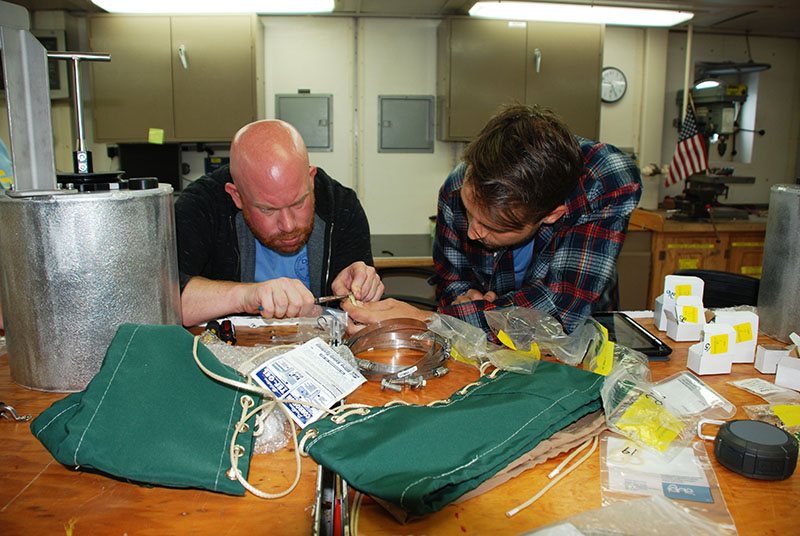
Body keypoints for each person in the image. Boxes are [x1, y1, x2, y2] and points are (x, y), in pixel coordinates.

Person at [343, 103, 641, 338]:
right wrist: (465, 300)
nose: (473, 233)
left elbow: (559, 312)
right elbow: (452, 279)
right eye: (469, 212)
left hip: (579, 344)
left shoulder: (604, 181)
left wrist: (427, 320)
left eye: (493, 227)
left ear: (551, 215)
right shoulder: (457, 185)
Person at [176, 119, 383, 326]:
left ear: (311, 179)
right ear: (236, 196)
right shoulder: (203, 205)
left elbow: (362, 319)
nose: (289, 225)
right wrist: (245, 296)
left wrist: (361, 291)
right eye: (267, 209)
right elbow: (161, 300)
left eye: (299, 202)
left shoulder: (341, 207)